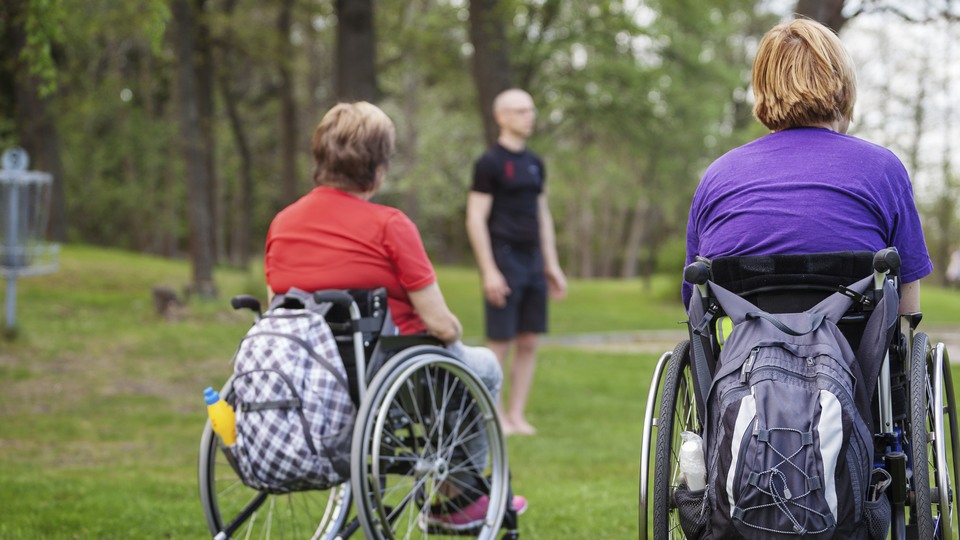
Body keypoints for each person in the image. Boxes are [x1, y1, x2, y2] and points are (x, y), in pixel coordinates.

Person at [263, 101, 526, 529]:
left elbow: (280, 309)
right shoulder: (389, 225)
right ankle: (455, 499)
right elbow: (439, 324)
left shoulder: (283, 223)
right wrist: (454, 331)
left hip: (313, 380)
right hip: (391, 375)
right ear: (379, 168)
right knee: (486, 367)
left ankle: (456, 494)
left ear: (321, 158)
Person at [683, 18, 932, 312]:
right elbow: (907, 302)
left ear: (762, 89)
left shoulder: (718, 177)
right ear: (842, 89)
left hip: (747, 353)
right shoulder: (882, 169)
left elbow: (695, 299)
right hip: (853, 354)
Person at [466, 88, 567, 436]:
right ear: (502, 117)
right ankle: (494, 417)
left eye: (531, 109)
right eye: (521, 111)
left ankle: (516, 415)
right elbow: (475, 217)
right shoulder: (490, 163)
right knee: (501, 341)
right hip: (503, 259)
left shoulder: (535, 163)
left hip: (533, 261)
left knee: (528, 341)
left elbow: (543, 215)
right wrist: (489, 270)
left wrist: (551, 264)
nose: (530, 116)